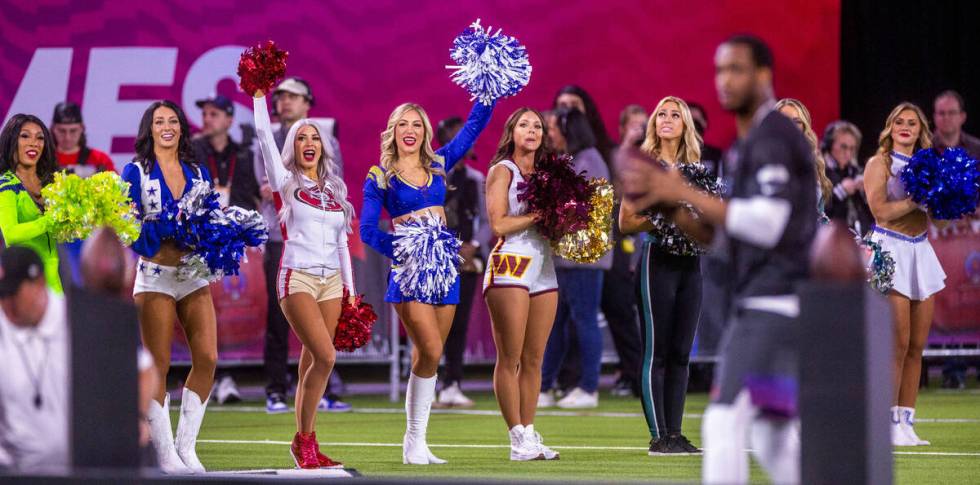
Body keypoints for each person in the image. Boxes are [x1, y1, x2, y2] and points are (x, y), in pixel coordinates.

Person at [618, 34, 816, 484]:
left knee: (725, 422)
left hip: (776, 305)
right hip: (766, 299)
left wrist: (679, 193)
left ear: (764, 75)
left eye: (737, 69)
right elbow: (724, 235)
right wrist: (673, 210)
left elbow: (766, 224)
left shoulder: (771, 137)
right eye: (720, 70)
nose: (725, 81)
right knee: (770, 433)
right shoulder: (750, 142)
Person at [361, 94, 495, 464]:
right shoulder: (380, 175)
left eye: (416, 124)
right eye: (402, 123)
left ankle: (416, 442)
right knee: (432, 349)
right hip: (409, 270)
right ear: (393, 130)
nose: (410, 130)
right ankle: (412, 439)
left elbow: (472, 129)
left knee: (428, 356)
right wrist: (405, 247)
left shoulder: (438, 164)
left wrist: (489, 89)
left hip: (444, 268)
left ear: (425, 132)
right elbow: (368, 231)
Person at [253, 87, 355, 469]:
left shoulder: (334, 189)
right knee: (326, 357)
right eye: (301, 138)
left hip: (331, 281)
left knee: (314, 358)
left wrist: (351, 292)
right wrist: (259, 95)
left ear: (323, 147)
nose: (308, 142)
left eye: (314, 137)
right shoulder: (285, 182)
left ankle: (304, 443)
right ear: (292, 147)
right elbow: (264, 135)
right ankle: (305, 441)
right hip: (297, 277)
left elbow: (343, 244)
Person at [121, 100, 217, 474]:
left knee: (207, 357)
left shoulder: (197, 170)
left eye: (173, 120)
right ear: (149, 129)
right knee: (158, 365)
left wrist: (215, 237)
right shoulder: (135, 172)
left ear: (181, 128)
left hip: (193, 275)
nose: (167, 126)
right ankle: (164, 453)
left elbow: (210, 219)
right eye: (159, 121)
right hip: (155, 277)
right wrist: (161, 232)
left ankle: (185, 447)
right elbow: (127, 226)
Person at [619, 96, 718, 455]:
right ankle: (658, 436)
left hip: (690, 263)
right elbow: (626, 222)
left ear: (686, 126)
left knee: (680, 353)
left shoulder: (697, 170)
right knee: (656, 352)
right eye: (661, 113)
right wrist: (667, 215)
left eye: (675, 115)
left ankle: (675, 433)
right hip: (656, 259)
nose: (667, 119)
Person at [864, 102, 947, 446]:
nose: (905, 126)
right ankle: (884, 423)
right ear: (890, 126)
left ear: (920, 129)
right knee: (896, 343)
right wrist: (916, 200)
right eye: (899, 121)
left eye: (912, 123)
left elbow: (939, 220)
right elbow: (880, 211)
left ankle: (905, 423)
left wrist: (943, 200)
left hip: (920, 250)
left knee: (916, 345)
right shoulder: (878, 163)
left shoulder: (929, 164)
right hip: (889, 249)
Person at [483, 107, 560, 461]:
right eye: (524, 125)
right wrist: (538, 215)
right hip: (510, 264)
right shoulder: (503, 171)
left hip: (544, 266)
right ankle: (515, 437)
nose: (532, 130)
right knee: (510, 357)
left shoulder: (548, 174)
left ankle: (529, 432)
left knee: (534, 358)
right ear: (511, 132)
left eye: (538, 126)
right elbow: (498, 224)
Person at [538, 107, 611, 410]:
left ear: (569, 130)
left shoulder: (589, 160)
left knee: (584, 320)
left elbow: (584, 212)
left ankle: (588, 387)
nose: (549, 133)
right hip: (567, 257)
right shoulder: (574, 160)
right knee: (557, 323)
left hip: (583, 257)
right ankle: (543, 385)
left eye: (554, 127)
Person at [192, 94, 261, 405]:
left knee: (235, 308)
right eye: (205, 114)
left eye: (214, 114)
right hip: (201, 239)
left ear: (229, 120)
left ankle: (227, 375)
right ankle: (209, 375)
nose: (207, 119)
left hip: (234, 241)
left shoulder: (243, 154)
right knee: (205, 310)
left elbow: (251, 197)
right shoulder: (193, 151)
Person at [434, 116, 490, 408]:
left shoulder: (476, 179)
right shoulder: (430, 174)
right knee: (431, 325)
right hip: (432, 258)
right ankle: (429, 381)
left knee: (459, 322)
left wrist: (475, 245)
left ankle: (453, 382)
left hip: (464, 262)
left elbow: (487, 220)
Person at [0, 246, 69, 472]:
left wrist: (136, 416)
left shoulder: (80, 319)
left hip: (82, 469)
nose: (6, 306)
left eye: (12, 295)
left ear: (39, 283)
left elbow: (143, 368)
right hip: (14, 471)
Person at [604, 105, 645, 398]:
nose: (641, 131)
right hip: (619, 246)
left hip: (642, 244)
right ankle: (631, 372)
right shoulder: (616, 159)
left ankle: (639, 373)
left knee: (635, 317)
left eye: (644, 126)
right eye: (634, 126)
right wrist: (629, 148)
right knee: (620, 314)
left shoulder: (655, 162)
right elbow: (618, 194)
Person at [0, 114, 63, 294]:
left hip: (55, 281)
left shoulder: (51, 182)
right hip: (25, 281)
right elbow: (10, 234)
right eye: (25, 136)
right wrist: (49, 221)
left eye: (40, 137)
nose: (34, 143)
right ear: (12, 141)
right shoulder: (6, 184)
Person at [775, 99, 833, 218]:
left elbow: (819, 211)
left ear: (804, 126)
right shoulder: (766, 157)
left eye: (797, 121)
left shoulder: (812, 158)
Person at [820, 120, 874, 235]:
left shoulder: (856, 172)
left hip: (861, 238)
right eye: (843, 147)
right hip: (830, 238)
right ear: (829, 145)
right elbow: (815, 211)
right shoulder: (819, 172)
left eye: (852, 148)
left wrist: (867, 192)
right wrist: (841, 191)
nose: (848, 153)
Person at [553, 85, 615, 165]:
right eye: (563, 106)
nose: (569, 112)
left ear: (586, 109)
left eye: (574, 106)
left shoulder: (605, 148)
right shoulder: (550, 147)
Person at [50, 101, 115, 177]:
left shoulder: (100, 160)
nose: (67, 137)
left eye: (73, 131)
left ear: (82, 128)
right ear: (53, 128)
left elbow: (118, 187)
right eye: (62, 131)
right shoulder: (43, 159)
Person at [931, 90, 980, 157]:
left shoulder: (977, 149)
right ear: (934, 117)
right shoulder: (923, 147)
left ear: (962, 117)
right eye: (941, 113)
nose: (946, 118)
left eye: (952, 113)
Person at [687, 102, 725, 178]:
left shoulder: (717, 156)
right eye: (688, 121)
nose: (693, 126)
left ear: (705, 123)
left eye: (696, 121)